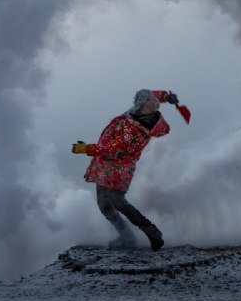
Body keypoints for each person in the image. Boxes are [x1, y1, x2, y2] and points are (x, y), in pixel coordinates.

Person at [71, 89, 179, 250]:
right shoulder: (138, 115)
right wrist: (166, 96)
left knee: (118, 202)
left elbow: (113, 149)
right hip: (105, 168)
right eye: (151, 98)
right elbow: (153, 94)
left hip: (117, 170)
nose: (155, 99)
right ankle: (126, 237)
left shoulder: (137, 129)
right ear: (143, 103)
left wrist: (86, 148)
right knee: (104, 205)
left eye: (154, 99)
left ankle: (151, 231)